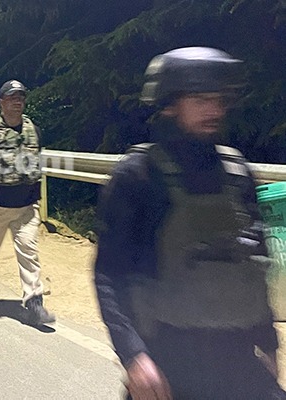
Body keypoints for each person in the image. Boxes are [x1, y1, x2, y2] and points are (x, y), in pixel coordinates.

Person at [94, 47, 285, 399]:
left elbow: (254, 264)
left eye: (219, 100)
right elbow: (109, 273)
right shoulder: (139, 177)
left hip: (238, 358)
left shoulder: (237, 174)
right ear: (170, 104)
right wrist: (133, 355)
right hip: (168, 362)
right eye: (200, 100)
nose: (214, 110)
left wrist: (268, 341)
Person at [0, 80, 55, 326]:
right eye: (12, 97)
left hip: (26, 207)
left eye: (21, 97)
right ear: (1, 102)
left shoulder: (33, 130)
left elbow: (37, 162)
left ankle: (35, 303)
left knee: (29, 252)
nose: (17, 101)